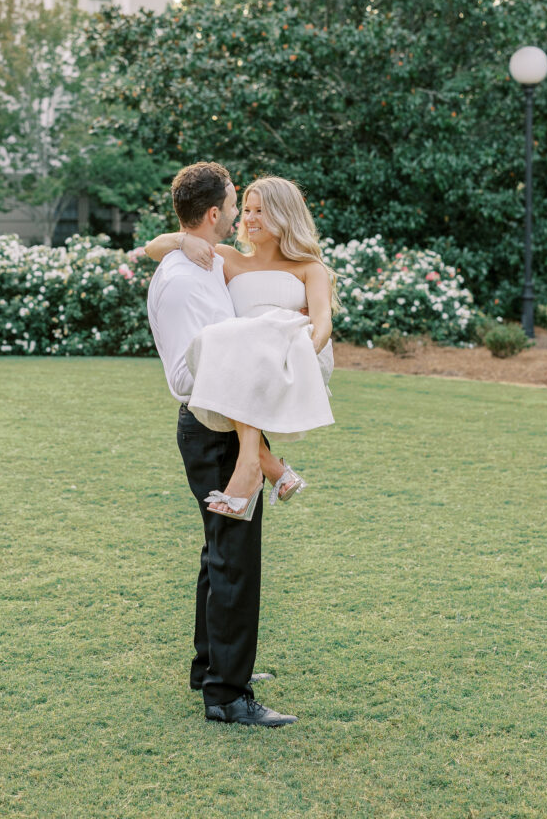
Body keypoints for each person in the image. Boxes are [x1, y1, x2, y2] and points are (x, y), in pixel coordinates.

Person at [146, 161, 298, 727]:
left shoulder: (194, 257)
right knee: (235, 561)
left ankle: (211, 664)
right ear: (214, 214)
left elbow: (158, 247)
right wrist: (254, 458)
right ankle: (227, 695)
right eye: (235, 204)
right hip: (217, 428)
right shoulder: (187, 281)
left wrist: (180, 239)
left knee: (220, 556)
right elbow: (214, 375)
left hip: (221, 426)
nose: (238, 214)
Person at [145, 173, 335, 520]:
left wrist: (303, 349)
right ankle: (266, 466)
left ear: (283, 214)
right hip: (246, 364)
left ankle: (255, 466)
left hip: (294, 358)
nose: (249, 218)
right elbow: (151, 248)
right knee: (228, 341)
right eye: (245, 209)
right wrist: (183, 241)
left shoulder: (309, 268)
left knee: (247, 336)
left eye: (260, 210)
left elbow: (322, 322)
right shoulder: (228, 258)